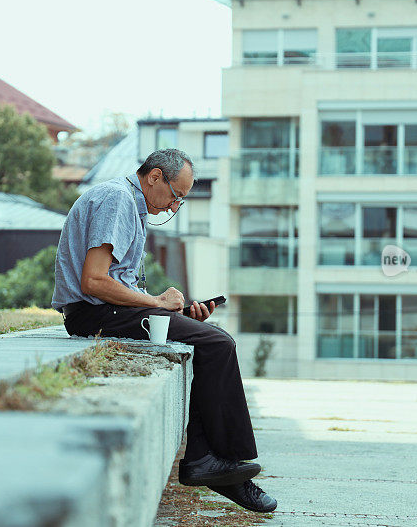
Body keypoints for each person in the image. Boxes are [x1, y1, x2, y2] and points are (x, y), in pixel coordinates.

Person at [52, 148, 277, 513]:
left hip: (108, 310)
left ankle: (211, 462)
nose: (173, 208)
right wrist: (156, 303)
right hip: (93, 314)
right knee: (219, 344)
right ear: (155, 176)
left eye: (181, 202)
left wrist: (182, 315)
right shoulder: (118, 199)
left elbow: (118, 284)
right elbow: (93, 281)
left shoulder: (130, 205)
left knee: (210, 338)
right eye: (175, 196)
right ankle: (219, 466)